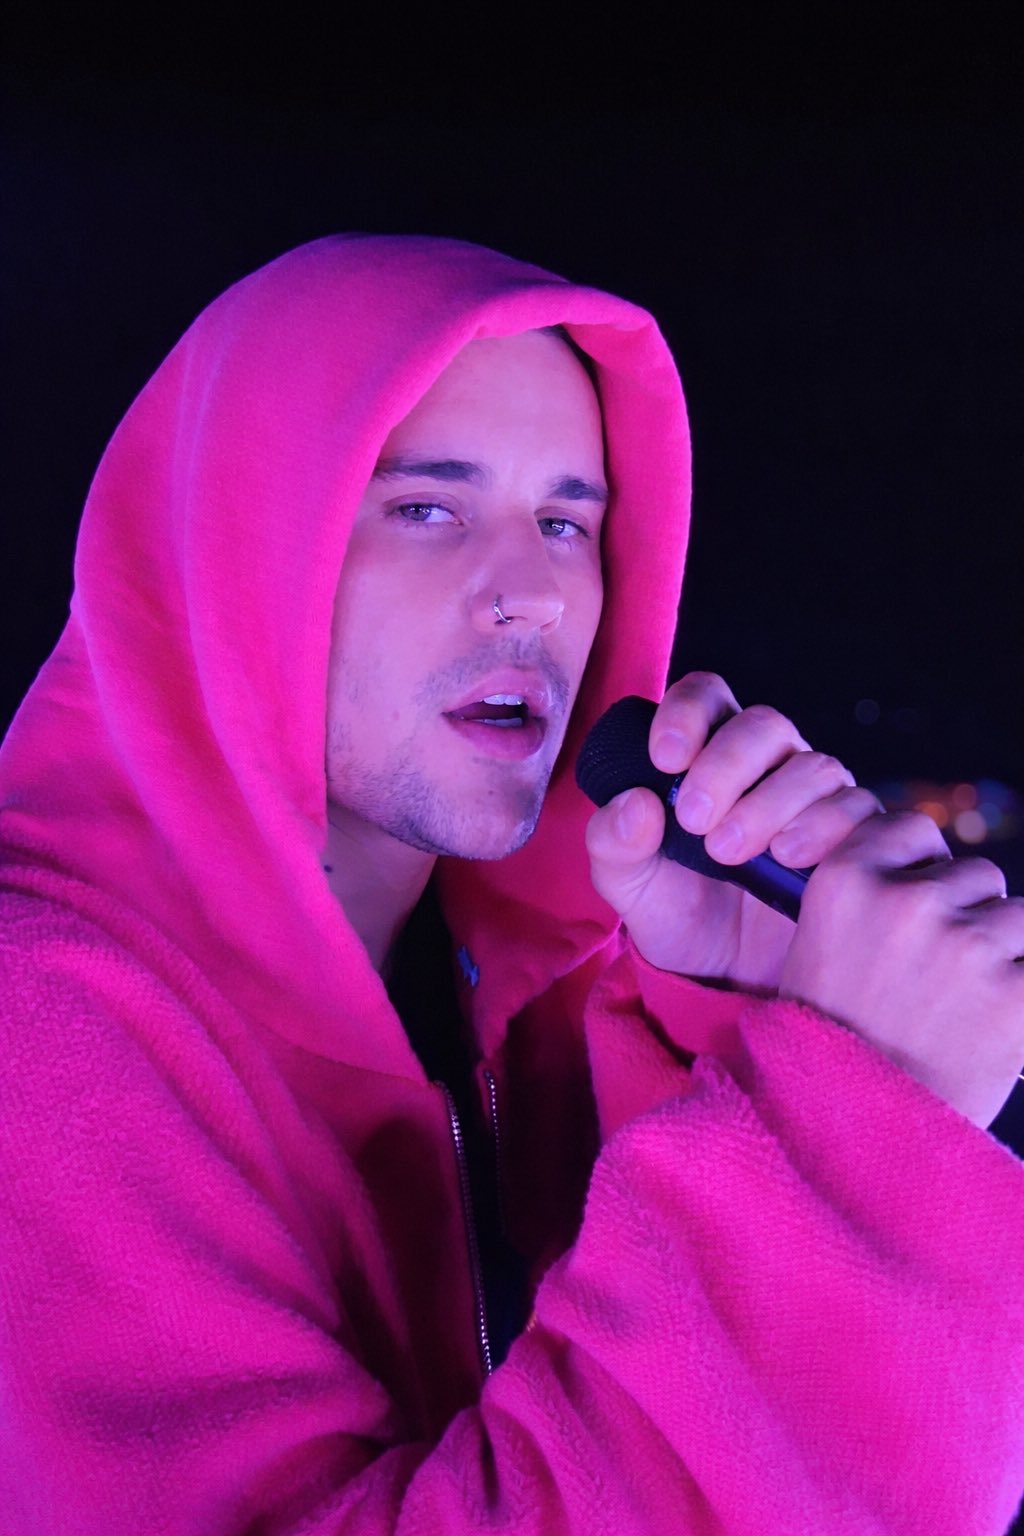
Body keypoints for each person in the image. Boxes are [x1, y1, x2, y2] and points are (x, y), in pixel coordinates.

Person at [1, 233, 1022, 1535]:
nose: (535, 596)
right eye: (428, 509)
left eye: (565, 523)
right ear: (233, 554)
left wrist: (739, 1029)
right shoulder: (40, 1028)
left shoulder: (532, 1019)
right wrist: (837, 1129)